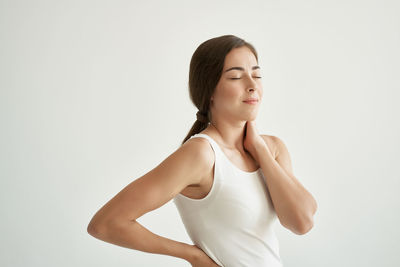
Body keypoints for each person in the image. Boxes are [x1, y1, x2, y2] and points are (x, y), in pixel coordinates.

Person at [87, 34, 318, 267]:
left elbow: (302, 222)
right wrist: (193, 255)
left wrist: (260, 150)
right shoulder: (201, 154)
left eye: (257, 75)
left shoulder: (273, 148)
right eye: (236, 77)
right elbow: (106, 224)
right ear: (209, 90)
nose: (252, 85)